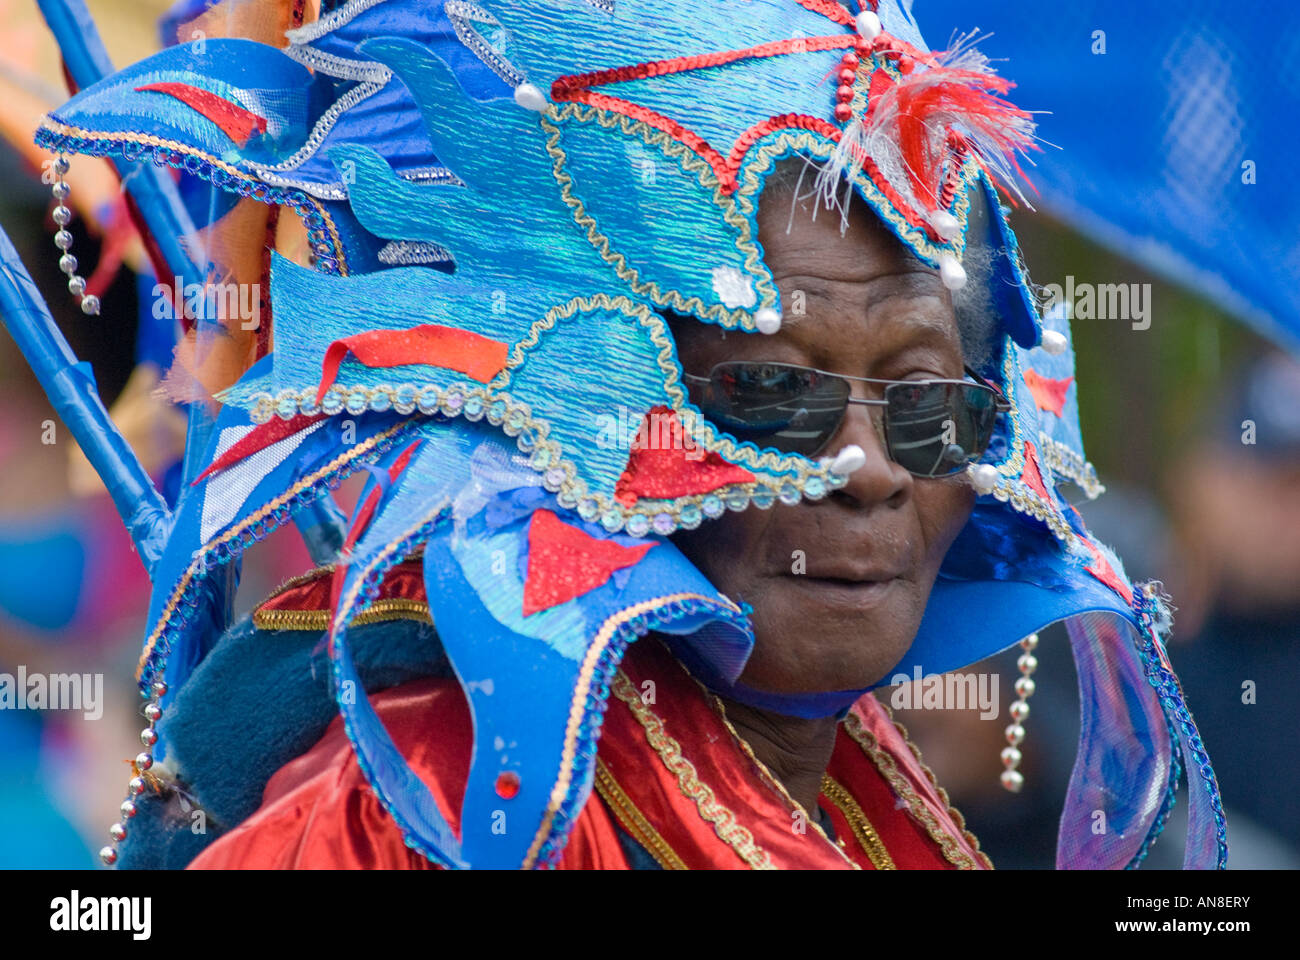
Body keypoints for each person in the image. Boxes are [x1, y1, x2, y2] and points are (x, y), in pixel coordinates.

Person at [8, 0, 1225, 869]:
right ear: (568, 422)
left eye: (923, 403)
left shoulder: (876, 800)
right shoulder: (412, 812)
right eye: (771, 393)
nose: (865, 469)